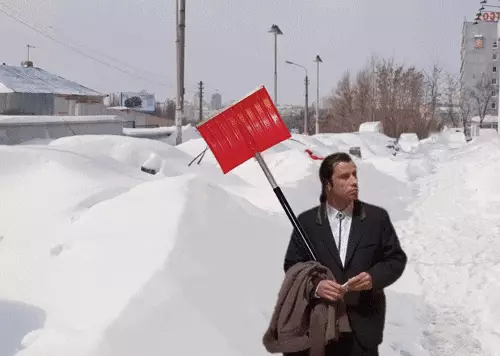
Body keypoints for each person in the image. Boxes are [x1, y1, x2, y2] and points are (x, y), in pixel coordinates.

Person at [283, 152, 407, 356]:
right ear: (327, 183)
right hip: (321, 325)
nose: (354, 181)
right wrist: (317, 286)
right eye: (344, 177)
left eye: (355, 175)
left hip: (363, 326)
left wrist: (373, 277)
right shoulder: (306, 223)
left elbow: (395, 259)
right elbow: (293, 266)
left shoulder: (376, 219)